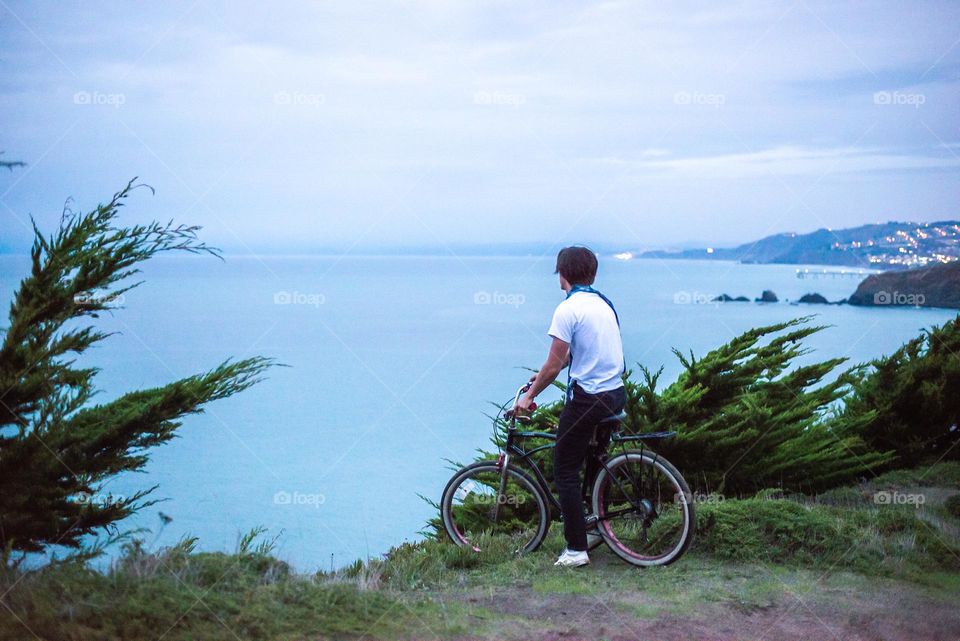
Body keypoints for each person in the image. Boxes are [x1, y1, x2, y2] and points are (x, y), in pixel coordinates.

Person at [514, 246, 626, 567]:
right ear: (592, 274)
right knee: (594, 461)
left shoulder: (567, 310)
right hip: (615, 393)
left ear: (561, 274)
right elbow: (582, 353)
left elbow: (553, 364)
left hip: (588, 399)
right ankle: (593, 526)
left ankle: (576, 549)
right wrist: (551, 371)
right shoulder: (604, 304)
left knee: (564, 469)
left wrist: (529, 396)